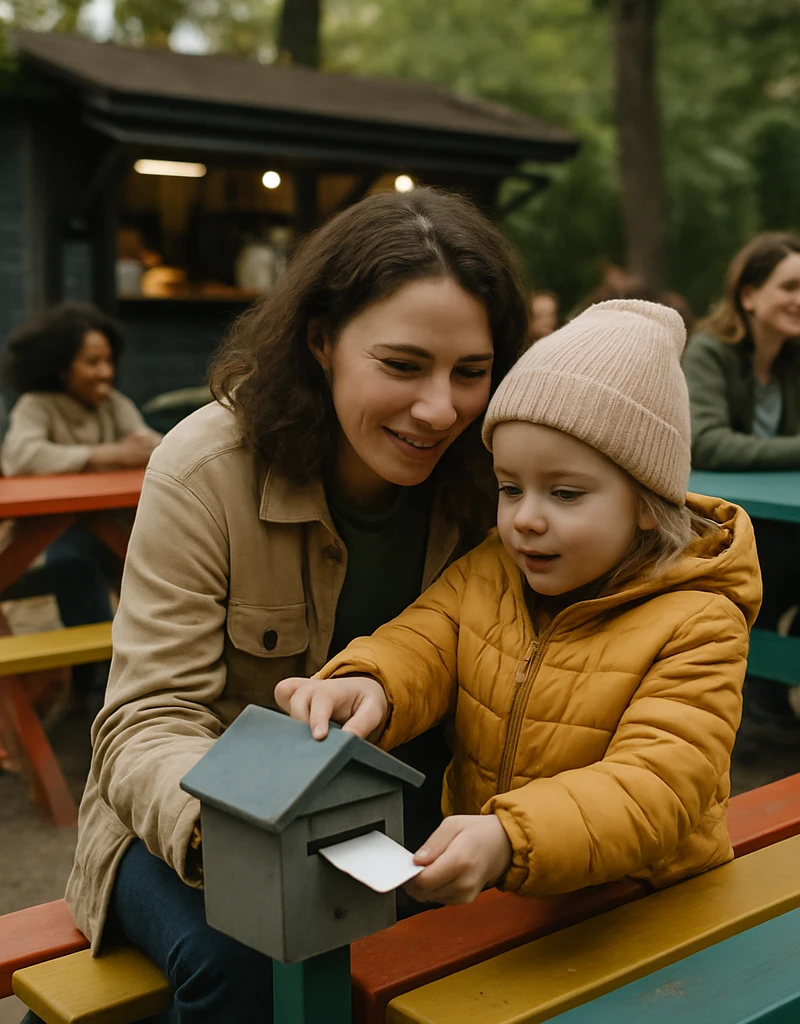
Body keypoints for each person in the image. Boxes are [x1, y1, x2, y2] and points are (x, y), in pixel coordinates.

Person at [51, 189, 527, 1024]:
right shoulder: (203, 470)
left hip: (401, 815)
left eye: (472, 373)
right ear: (320, 341)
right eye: (403, 365)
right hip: (185, 822)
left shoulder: (498, 476)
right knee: (258, 954)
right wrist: (237, 830)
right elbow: (145, 720)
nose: (440, 408)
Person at [279, 299, 760, 904]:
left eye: (564, 492)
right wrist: (370, 684)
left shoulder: (699, 620)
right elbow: (422, 642)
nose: (526, 519)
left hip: (639, 906)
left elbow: (656, 786)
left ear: (645, 502)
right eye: (510, 488)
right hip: (505, 888)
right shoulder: (492, 570)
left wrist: (512, 835)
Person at [683, 232, 800, 741]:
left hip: (786, 514)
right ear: (750, 294)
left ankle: (773, 671)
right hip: (721, 521)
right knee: (790, 562)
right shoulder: (709, 353)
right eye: (790, 286)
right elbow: (707, 443)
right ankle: (763, 676)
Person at [0, 303, 161, 705]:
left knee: (162, 560)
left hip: (117, 529)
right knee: (72, 561)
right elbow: (20, 458)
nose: (105, 372)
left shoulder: (115, 404)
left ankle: (145, 672)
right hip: (44, 539)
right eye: (92, 362)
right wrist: (105, 455)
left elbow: (156, 446)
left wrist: (133, 450)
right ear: (60, 366)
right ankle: (99, 682)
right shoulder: (36, 406)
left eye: (108, 360)